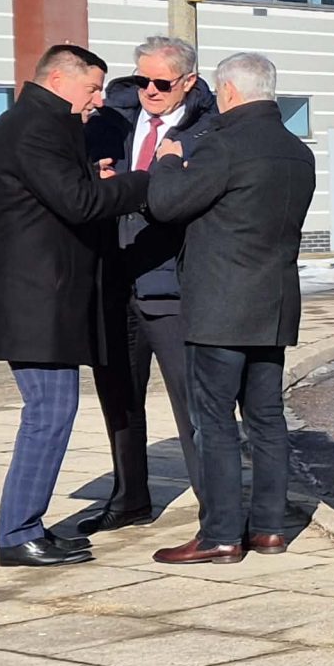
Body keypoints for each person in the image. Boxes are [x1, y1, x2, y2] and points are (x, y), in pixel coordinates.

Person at [0, 45, 153, 568]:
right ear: (58, 79)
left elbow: (65, 195)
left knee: (51, 411)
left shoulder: (38, 123)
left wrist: (96, 179)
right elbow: (79, 203)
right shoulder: (37, 128)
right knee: (49, 413)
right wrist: (145, 181)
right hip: (34, 299)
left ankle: (25, 527)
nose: (98, 100)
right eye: (92, 88)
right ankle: (17, 533)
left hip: (40, 295)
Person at [143, 53, 318, 565]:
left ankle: (220, 534)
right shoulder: (296, 151)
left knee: (214, 422)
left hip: (220, 307)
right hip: (275, 305)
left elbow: (168, 204)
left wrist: (170, 158)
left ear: (229, 92)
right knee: (267, 419)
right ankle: (268, 528)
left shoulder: (223, 144)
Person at [77, 37, 219, 533]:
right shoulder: (110, 125)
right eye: (142, 81)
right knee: (119, 399)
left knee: (193, 406)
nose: (150, 91)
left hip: (174, 289)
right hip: (114, 282)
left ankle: (215, 513)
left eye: (161, 82)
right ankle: (130, 497)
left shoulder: (207, 131)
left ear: (188, 82)